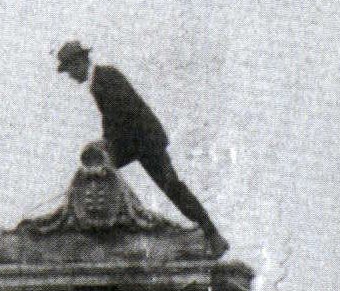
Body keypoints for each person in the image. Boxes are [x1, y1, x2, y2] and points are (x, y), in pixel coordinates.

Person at [55, 41, 228, 257]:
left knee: (171, 186)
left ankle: (212, 234)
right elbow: (112, 118)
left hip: (146, 141)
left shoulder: (105, 76)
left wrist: (107, 142)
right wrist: (106, 143)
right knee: (98, 163)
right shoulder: (98, 80)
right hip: (134, 141)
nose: (70, 76)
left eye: (70, 69)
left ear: (80, 62)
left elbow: (122, 114)